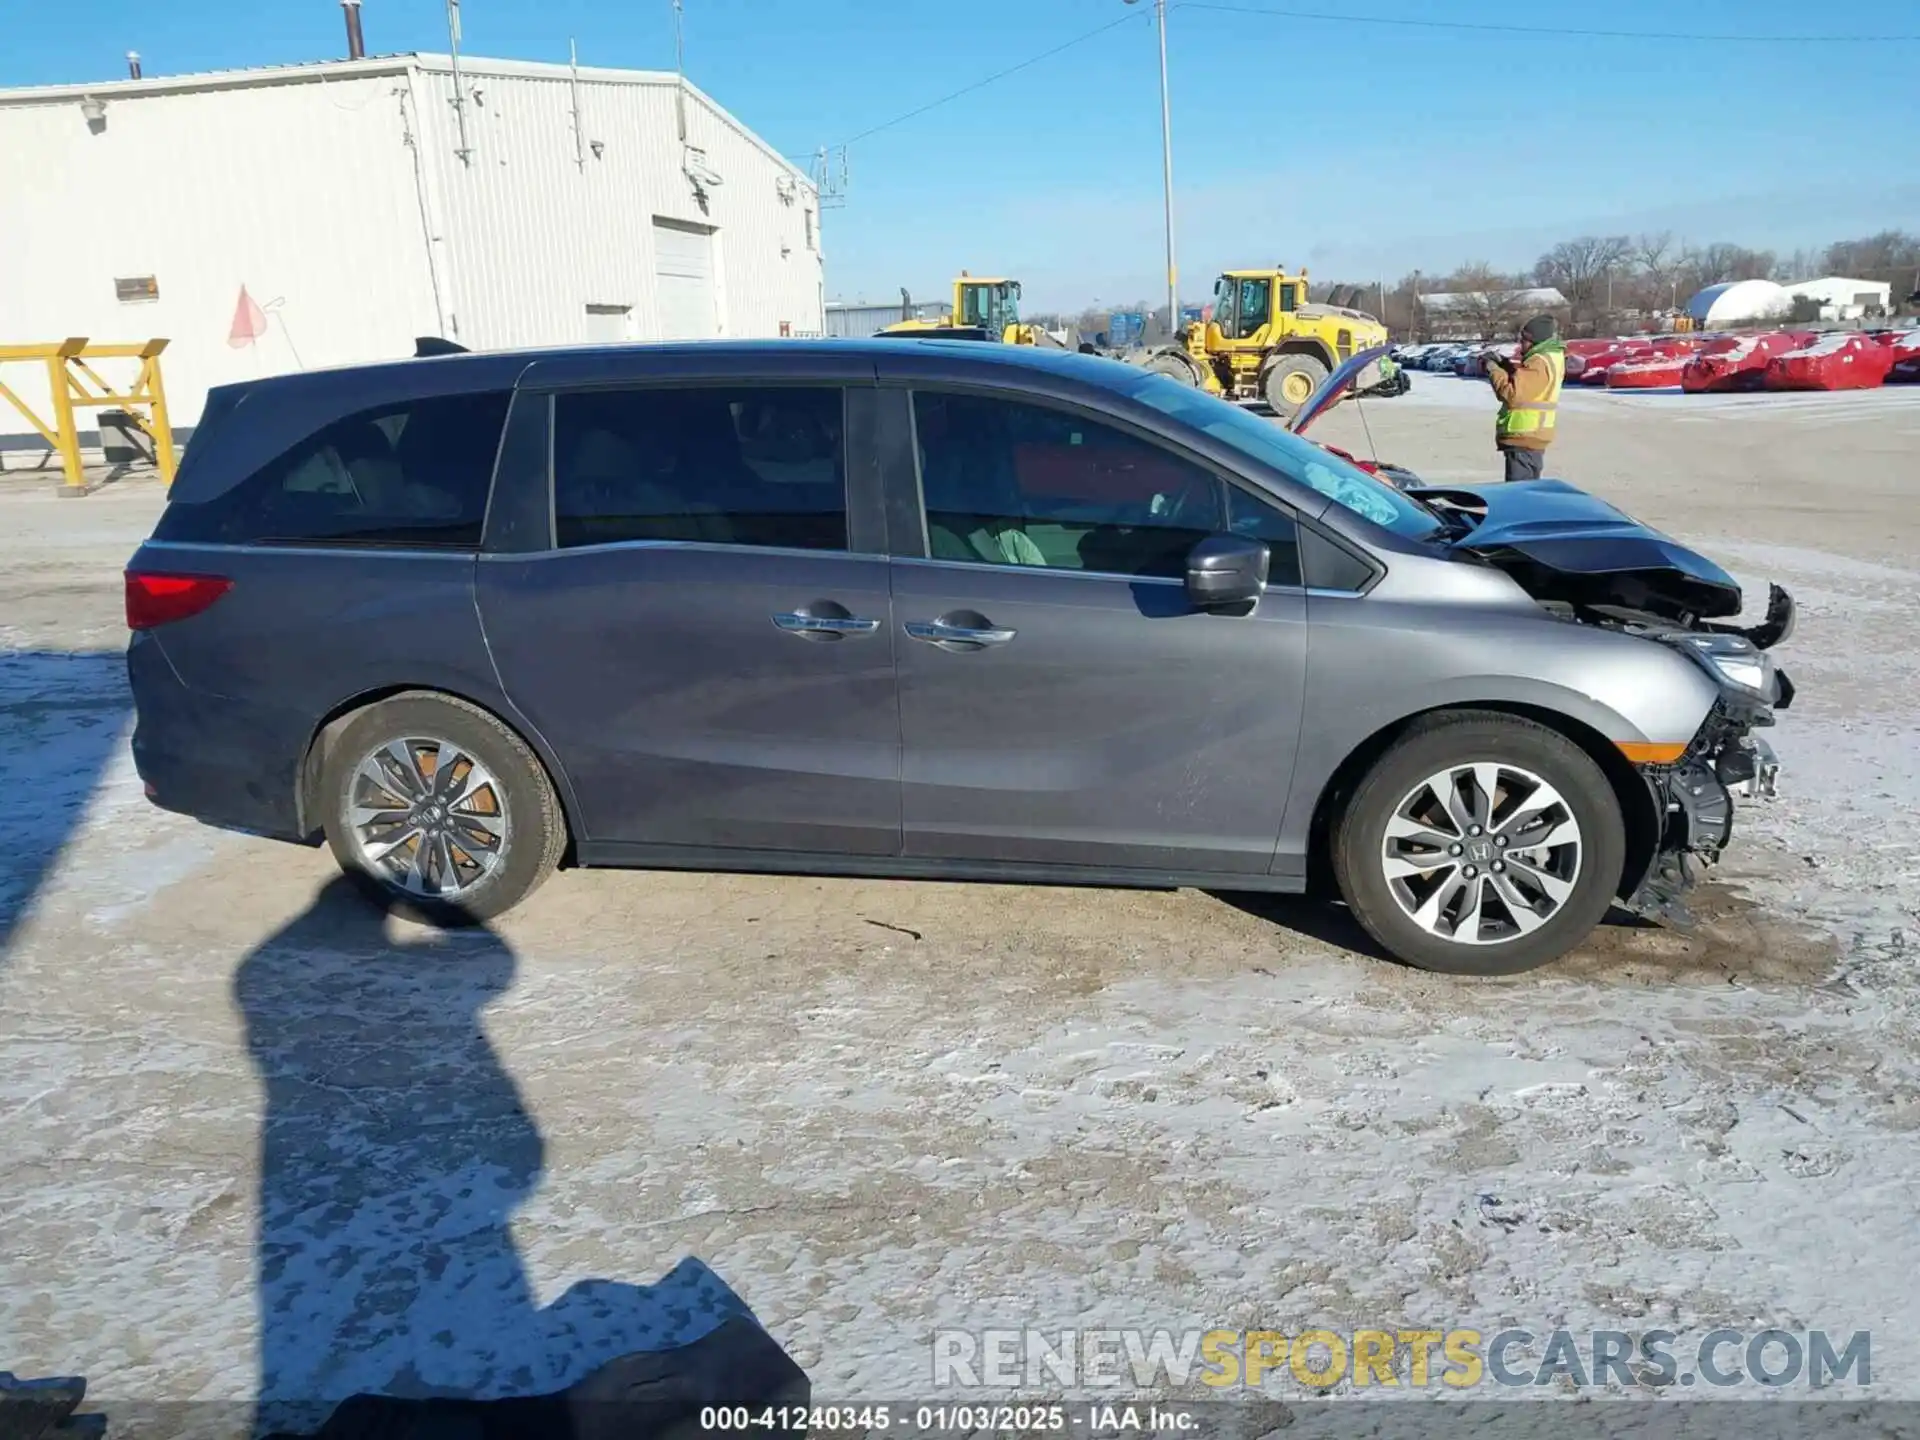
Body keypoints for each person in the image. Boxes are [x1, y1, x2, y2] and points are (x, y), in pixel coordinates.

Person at [1487, 313, 1565, 482]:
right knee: (1527, 492)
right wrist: (1505, 365)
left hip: (1525, 435)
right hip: (1531, 436)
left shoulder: (1539, 361)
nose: (1520, 345)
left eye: (1523, 341)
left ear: (1535, 340)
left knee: (1518, 495)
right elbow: (1526, 384)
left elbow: (1512, 394)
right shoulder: (1549, 357)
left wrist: (1493, 369)